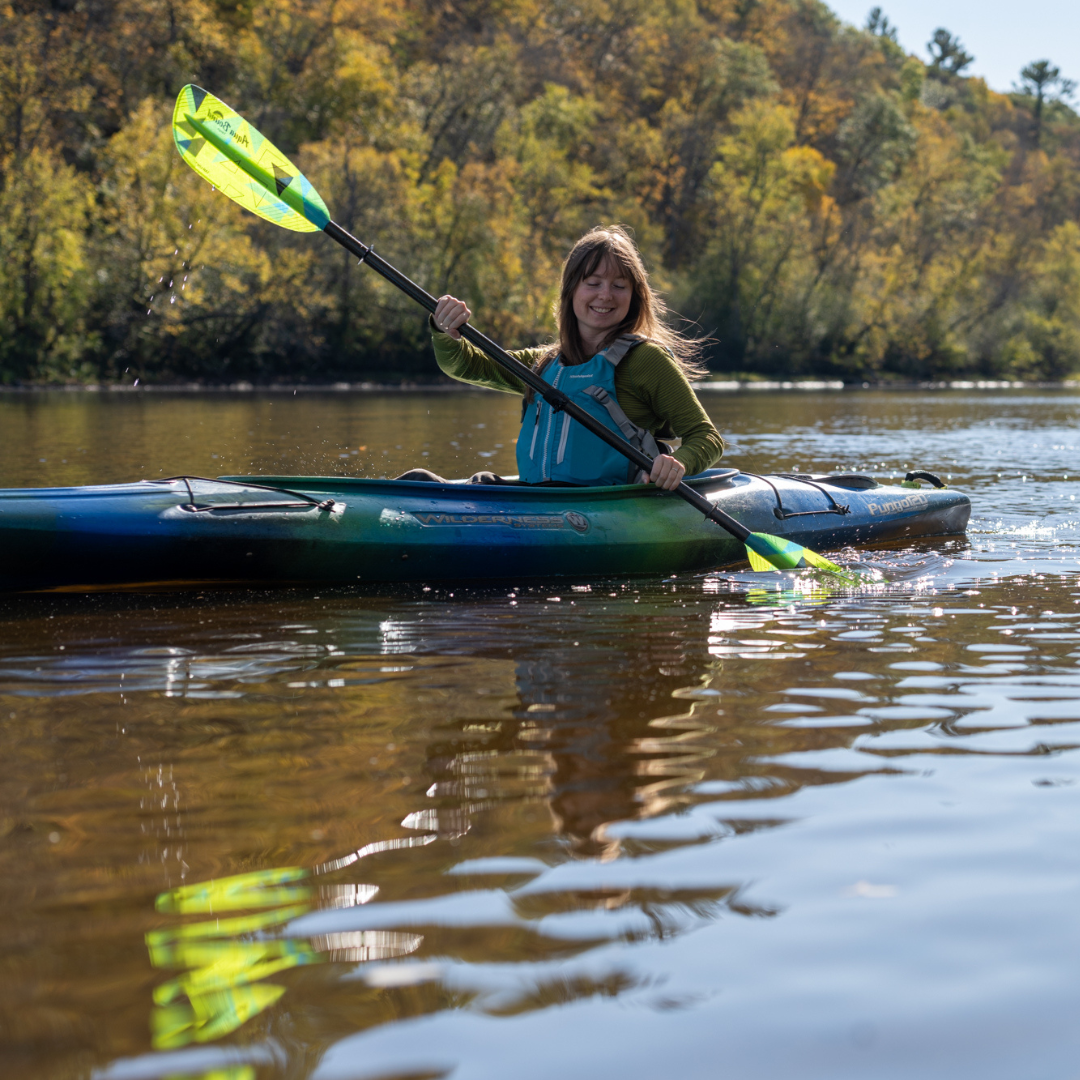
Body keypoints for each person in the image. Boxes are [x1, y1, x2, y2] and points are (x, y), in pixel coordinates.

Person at [402, 225, 723, 489]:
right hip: (537, 500)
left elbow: (706, 437)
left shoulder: (646, 361)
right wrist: (444, 331)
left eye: (619, 286)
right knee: (418, 481)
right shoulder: (542, 365)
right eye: (593, 283)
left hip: (608, 504)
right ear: (571, 291)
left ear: (634, 296)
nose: (605, 295)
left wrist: (678, 463)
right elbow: (463, 365)